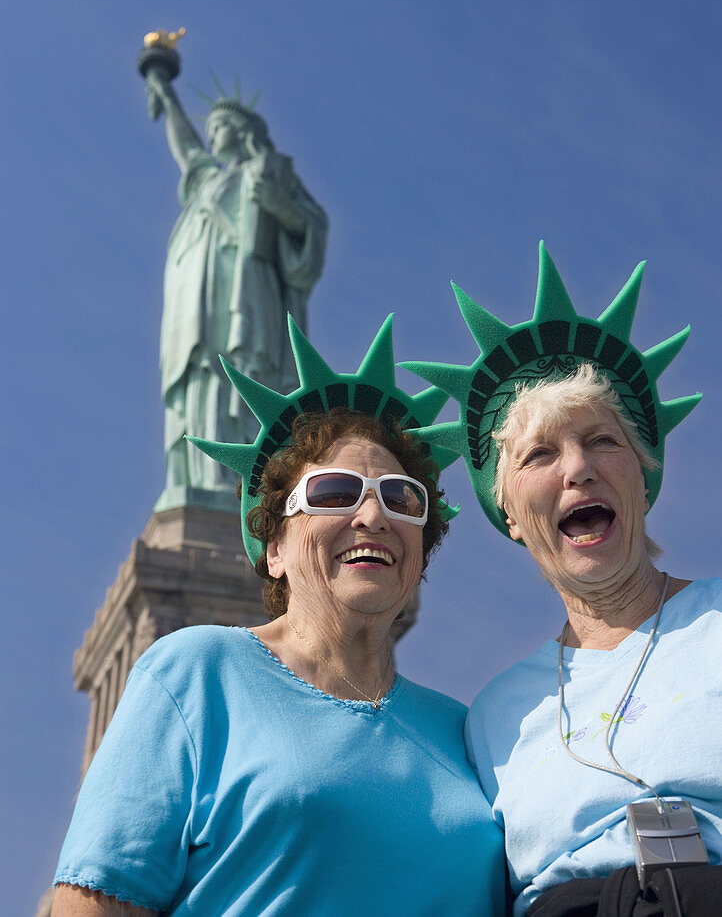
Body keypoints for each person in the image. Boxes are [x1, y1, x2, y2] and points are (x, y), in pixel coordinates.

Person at [52, 319, 505, 916]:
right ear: (274, 548)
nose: (373, 515)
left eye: (400, 498)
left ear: (421, 552)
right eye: (335, 492)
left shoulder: (467, 733)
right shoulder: (198, 672)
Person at [405, 245, 720, 917]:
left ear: (642, 476)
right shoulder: (494, 717)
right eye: (540, 454)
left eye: (603, 441)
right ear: (512, 515)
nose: (577, 469)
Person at [144, 66, 328, 504]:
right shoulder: (208, 180)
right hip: (194, 297)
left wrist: (278, 205)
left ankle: (238, 481)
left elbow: (312, 225)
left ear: (244, 131)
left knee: (239, 370)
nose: (212, 134)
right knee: (201, 372)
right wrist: (166, 95)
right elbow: (186, 146)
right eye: (210, 127)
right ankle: (199, 475)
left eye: (221, 125)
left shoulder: (271, 172)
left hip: (248, 291)